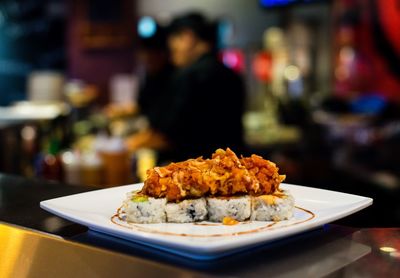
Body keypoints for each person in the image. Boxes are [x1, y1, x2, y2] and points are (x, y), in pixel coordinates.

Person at [127, 12, 245, 161]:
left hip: (197, 170)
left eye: (174, 41)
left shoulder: (188, 76)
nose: (171, 49)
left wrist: (128, 145)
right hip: (233, 166)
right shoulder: (232, 74)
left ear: (187, 37)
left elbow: (167, 133)